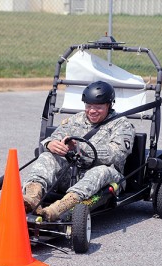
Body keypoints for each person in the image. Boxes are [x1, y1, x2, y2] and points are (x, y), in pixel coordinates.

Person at [23, 80, 135, 221]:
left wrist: (81, 147)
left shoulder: (122, 124)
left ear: (109, 105)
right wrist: (51, 144)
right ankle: (32, 196)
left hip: (107, 178)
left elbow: (117, 154)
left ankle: (58, 209)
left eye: (98, 107)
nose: (92, 111)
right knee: (47, 157)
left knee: (101, 171)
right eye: (89, 106)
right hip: (73, 174)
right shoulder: (76, 119)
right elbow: (54, 137)